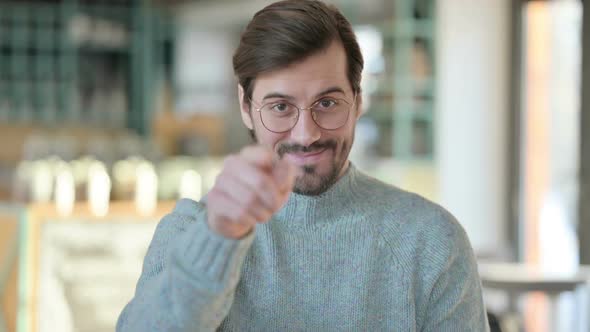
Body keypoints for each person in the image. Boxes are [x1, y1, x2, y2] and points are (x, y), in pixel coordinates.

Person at [117, 0, 489, 331]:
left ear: (357, 102)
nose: (307, 134)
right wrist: (219, 239)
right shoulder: (192, 231)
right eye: (280, 107)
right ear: (246, 107)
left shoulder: (431, 241)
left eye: (327, 103)